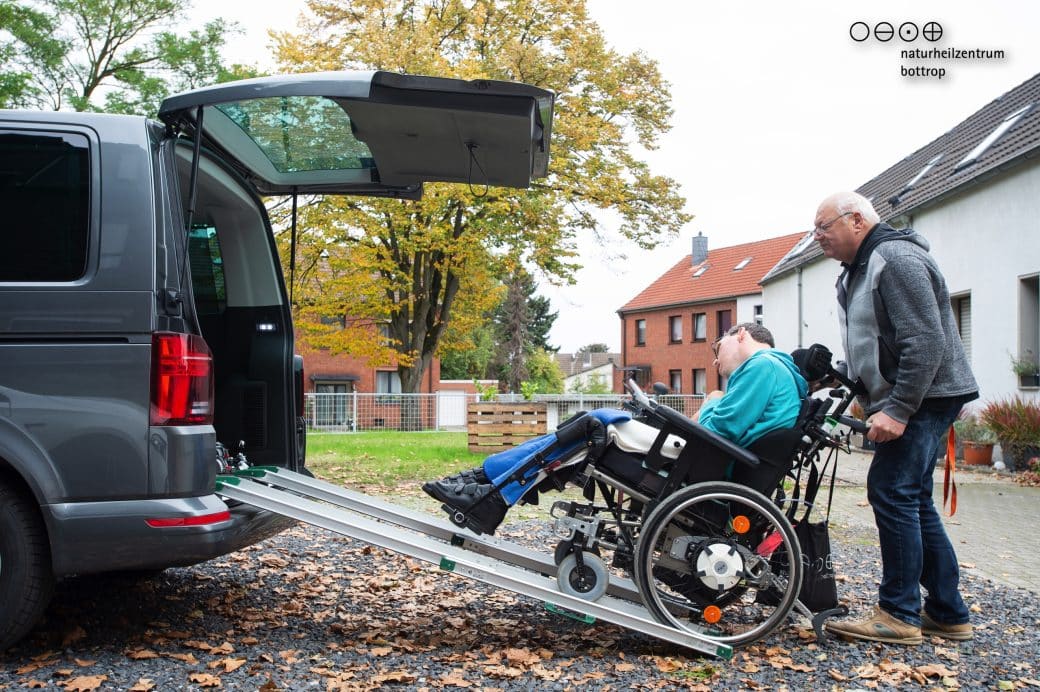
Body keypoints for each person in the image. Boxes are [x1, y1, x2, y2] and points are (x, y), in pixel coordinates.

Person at [422, 322, 807, 535]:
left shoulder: (762, 366)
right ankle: (485, 485)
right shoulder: (774, 372)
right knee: (592, 423)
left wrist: (711, 403)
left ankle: (486, 488)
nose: (716, 360)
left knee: (597, 422)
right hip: (708, 459)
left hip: (705, 461)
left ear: (740, 335)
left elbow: (723, 427)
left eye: (715, 349)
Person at [813, 191, 978, 645]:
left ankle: (899, 613)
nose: (818, 237)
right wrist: (834, 380)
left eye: (824, 227)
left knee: (890, 490)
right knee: (912, 498)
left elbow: (925, 341)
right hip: (916, 396)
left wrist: (900, 409)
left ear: (857, 221)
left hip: (923, 396)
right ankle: (947, 612)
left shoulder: (895, 259)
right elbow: (872, 343)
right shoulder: (857, 270)